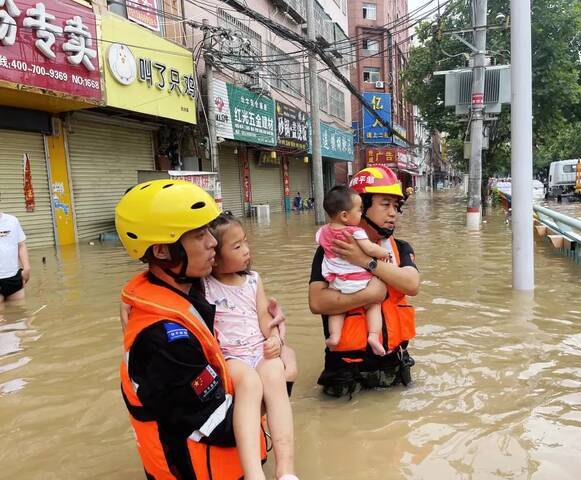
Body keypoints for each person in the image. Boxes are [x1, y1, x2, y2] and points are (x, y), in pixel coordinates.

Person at [115, 179, 268, 480]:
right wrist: (276, 385)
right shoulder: (163, 339)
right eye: (199, 236)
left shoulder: (187, 292)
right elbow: (216, 423)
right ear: (162, 251)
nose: (213, 242)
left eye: (209, 231)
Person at [308, 166, 420, 397]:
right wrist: (369, 296)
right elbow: (317, 302)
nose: (393, 213)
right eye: (385, 204)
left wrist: (365, 261)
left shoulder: (400, 248)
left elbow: (411, 284)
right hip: (347, 373)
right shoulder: (331, 251)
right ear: (360, 207)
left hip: (393, 369)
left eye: (395, 206)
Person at [203, 214, 298, 480]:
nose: (246, 250)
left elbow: (264, 319)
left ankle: (286, 469)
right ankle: (255, 474)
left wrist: (275, 341)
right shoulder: (205, 286)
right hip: (230, 357)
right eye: (236, 246)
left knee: (275, 376)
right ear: (215, 256)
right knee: (250, 383)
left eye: (245, 242)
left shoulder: (254, 280)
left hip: (259, 349)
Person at [316, 186, 391, 356]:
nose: (361, 214)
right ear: (344, 215)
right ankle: (373, 336)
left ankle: (335, 336)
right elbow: (370, 249)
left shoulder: (322, 232)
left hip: (336, 282)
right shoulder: (355, 231)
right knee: (374, 305)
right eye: (359, 210)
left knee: (337, 311)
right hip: (359, 281)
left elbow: (321, 244)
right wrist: (383, 253)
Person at [0, 196, 31, 305]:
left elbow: (21, 245)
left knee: (19, 315)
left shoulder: (12, 220)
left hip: (13, 278)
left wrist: (26, 267)